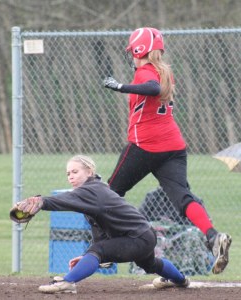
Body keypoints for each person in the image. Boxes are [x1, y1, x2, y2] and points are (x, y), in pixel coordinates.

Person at [103, 27, 232, 275]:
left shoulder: (145, 72)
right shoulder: (165, 72)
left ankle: (105, 250)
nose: (132, 55)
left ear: (139, 50)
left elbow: (151, 88)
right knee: (182, 197)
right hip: (173, 147)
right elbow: (154, 88)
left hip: (145, 145)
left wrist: (120, 86)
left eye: (133, 51)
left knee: (110, 193)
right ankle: (213, 237)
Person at [14, 155, 189, 294]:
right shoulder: (94, 190)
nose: (71, 177)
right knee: (150, 264)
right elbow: (100, 232)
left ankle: (66, 282)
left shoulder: (92, 190)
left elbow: (65, 200)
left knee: (98, 251)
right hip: (143, 236)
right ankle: (180, 280)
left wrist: (42, 202)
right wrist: (88, 258)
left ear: (89, 172)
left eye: (75, 171)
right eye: (68, 174)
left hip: (137, 237)